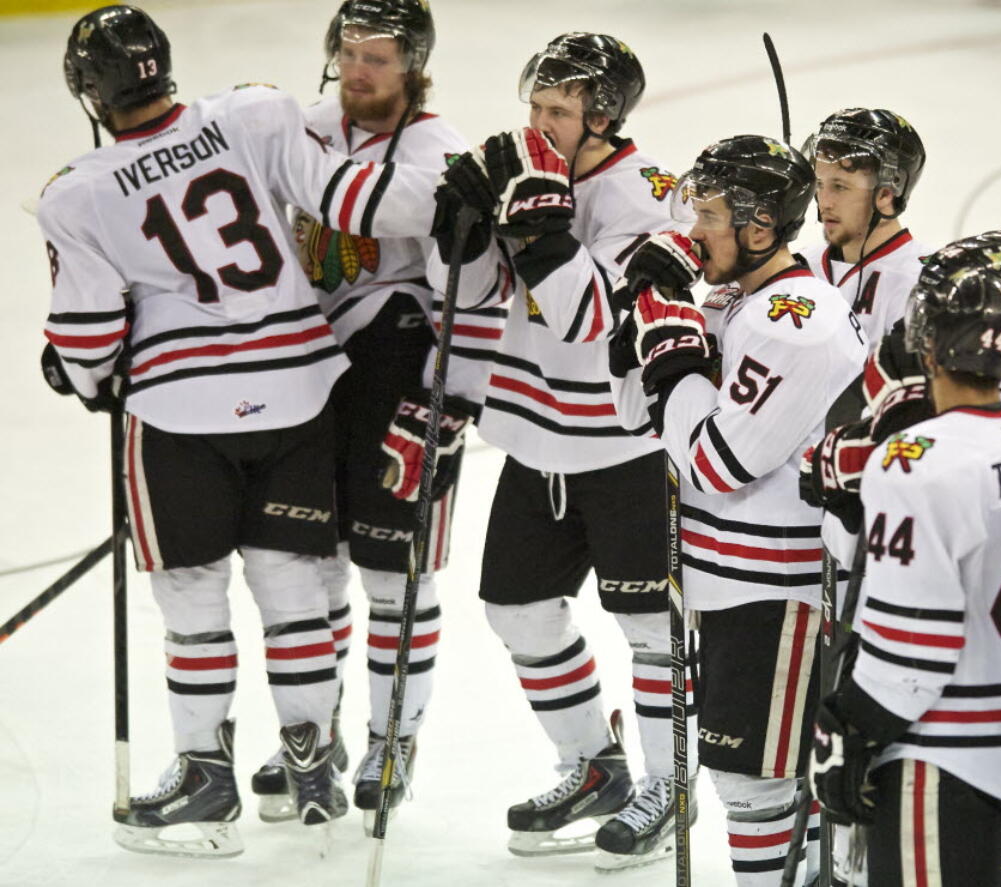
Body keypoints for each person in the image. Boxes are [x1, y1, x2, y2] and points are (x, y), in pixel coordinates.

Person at [40, 3, 443, 857]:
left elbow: (86, 340)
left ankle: (205, 773)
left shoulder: (76, 193)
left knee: (192, 596)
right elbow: (340, 198)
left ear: (89, 92)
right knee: (293, 583)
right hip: (298, 388)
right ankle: (311, 763)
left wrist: (70, 371)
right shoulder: (252, 112)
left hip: (180, 411)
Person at [431, 32, 689, 871]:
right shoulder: (531, 170)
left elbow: (591, 319)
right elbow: (475, 292)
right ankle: (593, 764)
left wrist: (539, 229)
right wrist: (463, 232)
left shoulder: (650, 200)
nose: (539, 125)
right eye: (535, 108)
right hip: (536, 436)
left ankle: (665, 784)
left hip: (625, 445)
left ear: (604, 119)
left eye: (559, 112)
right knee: (517, 608)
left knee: (649, 625)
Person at [248, 0, 502, 833]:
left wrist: (449, 401)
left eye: (380, 59)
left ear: (414, 67)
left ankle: (394, 736)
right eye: (350, 53)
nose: (359, 70)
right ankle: (311, 737)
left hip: (396, 368)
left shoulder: (440, 152)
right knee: (307, 559)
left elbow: (466, 292)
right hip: (302, 371)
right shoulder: (306, 125)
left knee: (395, 569)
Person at [612, 134, 867, 886]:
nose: (692, 230)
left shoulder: (796, 323)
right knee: (764, 783)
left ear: (761, 228)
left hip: (777, 589)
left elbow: (717, 462)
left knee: (755, 785)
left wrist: (673, 343)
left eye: (712, 215)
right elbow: (636, 413)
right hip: (729, 581)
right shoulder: (732, 298)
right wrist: (645, 314)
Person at [812, 252, 1001, 887]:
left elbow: (915, 644)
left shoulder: (913, 459)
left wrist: (850, 725)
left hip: (942, 754)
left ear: (927, 348)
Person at [797, 108, 929, 350]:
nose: (824, 201)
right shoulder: (801, 265)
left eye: (840, 186)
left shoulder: (922, 283)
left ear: (887, 194)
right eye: (819, 184)